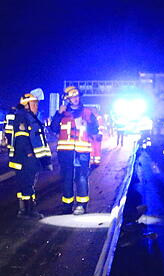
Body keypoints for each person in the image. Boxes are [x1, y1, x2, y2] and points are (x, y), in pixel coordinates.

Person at [49, 85, 100, 215]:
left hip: (82, 152)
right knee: (66, 178)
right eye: (72, 97)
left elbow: (95, 130)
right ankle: (67, 205)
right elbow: (53, 128)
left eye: (77, 96)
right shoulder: (62, 113)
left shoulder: (87, 113)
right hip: (66, 153)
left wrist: (86, 124)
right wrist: (58, 113)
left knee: (81, 177)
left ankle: (81, 205)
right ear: (67, 99)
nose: (75, 99)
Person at [6, 89, 52, 218]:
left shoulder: (26, 116)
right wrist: (30, 155)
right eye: (34, 104)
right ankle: (29, 211)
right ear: (26, 105)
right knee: (28, 184)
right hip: (26, 159)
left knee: (24, 184)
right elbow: (22, 138)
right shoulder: (23, 117)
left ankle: (23, 210)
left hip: (21, 158)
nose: (37, 106)